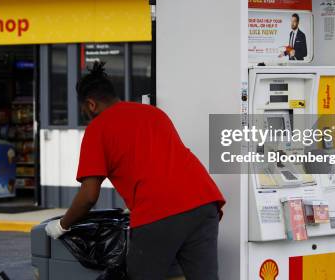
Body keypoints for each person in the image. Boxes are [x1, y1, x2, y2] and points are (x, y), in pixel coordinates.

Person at [45, 61, 225, 280]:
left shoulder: (98, 128)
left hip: (159, 211)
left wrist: (62, 225)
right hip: (204, 202)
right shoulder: (153, 114)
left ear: (91, 104)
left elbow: (88, 196)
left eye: (84, 110)